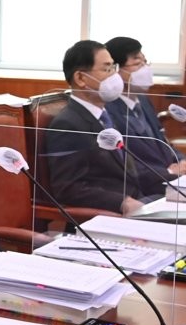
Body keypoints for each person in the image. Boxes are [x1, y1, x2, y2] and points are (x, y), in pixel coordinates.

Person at [46, 40, 149, 213]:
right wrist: (122, 202)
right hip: (108, 215)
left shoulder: (106, 116)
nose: (114, 76)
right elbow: (68, 188)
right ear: (80, 78)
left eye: (113, 68)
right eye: (106, 69)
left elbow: (129, 169)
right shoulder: (67, 125)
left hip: (141, 200)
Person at [104, 35, 185, 195]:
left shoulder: (142, 100)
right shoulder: (108, 109)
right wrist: (168, 173)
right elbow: (125, 163)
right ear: (116, 70)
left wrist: (181, 160)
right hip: (145, 189)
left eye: (145, 62)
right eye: (137, 63)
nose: (145, 69)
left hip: (170, 180)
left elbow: (162, 141)